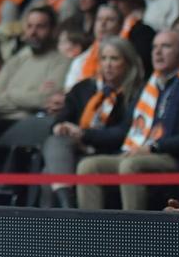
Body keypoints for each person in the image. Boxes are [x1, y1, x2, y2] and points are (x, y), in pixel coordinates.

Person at [76, 30, 179, 210]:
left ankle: (136, 232)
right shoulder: (148, 87)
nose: (158, 52)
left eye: (166, 46)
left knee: (130, 165)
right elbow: (124, 131)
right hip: (139, 153)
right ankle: (91, 233)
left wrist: (154, 147)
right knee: (88, 166)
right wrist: (84, 134)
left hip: (173, 157)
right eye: (154, 47)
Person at [42, 37, 144, 207]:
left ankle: (66, 217)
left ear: (127, 62)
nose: (108, 64)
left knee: (48, 174)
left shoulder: (137, 93)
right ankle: (67, 211)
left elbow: (123, 133)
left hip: (110, 152)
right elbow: (61, 118)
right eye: (103, 59)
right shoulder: (83, 88)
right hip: (76, 150)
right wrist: (60, 127)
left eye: (114, 59)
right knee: (55, 141)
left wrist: (84, 134)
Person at [0, 6, 71, 128]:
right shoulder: (16, 60)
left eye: (40, 27)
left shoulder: (61, 62)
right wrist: (28, 103)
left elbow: (46, 100)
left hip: (31, 125)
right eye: (29, 26)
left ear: (53, 30)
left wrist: (10, 93)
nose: (33, 32)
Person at [106, 0, 157, 69]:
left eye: (119, 0)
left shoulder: (143, 31)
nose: (113, 4)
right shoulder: (108, 27)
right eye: (111, 0)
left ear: (134, 2)